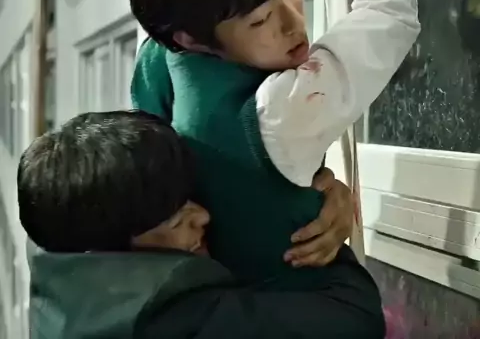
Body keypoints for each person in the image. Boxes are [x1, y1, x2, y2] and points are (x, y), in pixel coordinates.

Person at [129, 0, 419, 285]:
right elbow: (389, 13)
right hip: (305, 303)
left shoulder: (164, 51)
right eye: (260, 20)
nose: (292, 23)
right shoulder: (280, 110)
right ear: (192, 39)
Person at [19, 111, 385, 338]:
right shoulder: (172, 323)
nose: (204, 216)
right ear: (109, 249)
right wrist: (314, 221)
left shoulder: (67, 283)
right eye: (176, 218)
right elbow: (356, 317)